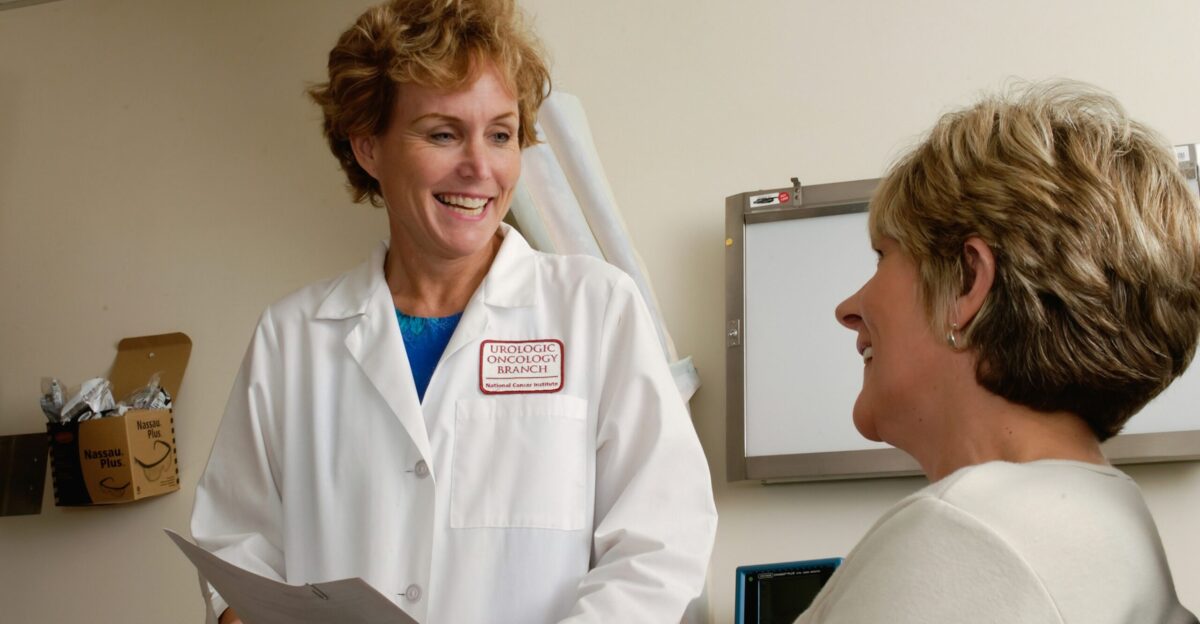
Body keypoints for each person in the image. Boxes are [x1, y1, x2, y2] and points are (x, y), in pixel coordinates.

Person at [190, 1, 717, 622]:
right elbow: (236, 542)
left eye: (500, 134)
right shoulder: (292, 337)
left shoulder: (596, 309)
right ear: (368, 148)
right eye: (443, 133)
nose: (480, 167)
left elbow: (660, 540)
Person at [799, 81, 1200, 623]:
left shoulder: (969, 538)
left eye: (882, 257)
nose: (847, 308)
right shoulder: (1107, 518)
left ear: (967, 283)